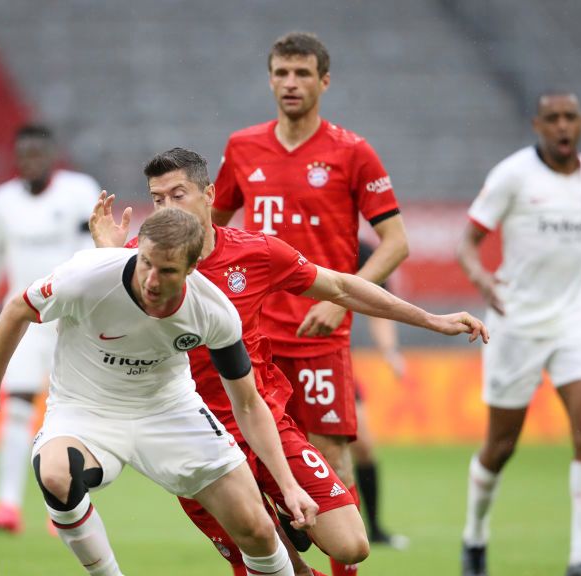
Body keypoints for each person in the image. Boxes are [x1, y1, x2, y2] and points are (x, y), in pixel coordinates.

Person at [91, 148, 486, 576]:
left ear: (209, 194)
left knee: (352, 545)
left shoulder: (255, 253)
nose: (167, 208)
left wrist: (431, 319)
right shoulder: (135, 264)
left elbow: (339, 286)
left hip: (264, 422)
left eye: (178, 194)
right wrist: (106, 261)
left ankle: (281, 514)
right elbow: (97, 331)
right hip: (193, 445)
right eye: (158, 198)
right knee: (279, 569)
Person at [0, 207, 319, 576]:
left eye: (166, 271)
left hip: (169, 409)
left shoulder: (213, 310)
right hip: (86, 408)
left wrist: (289, 487)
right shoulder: (86, 276)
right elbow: (17, 309)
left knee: (258, 531)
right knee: (57, 473)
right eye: (145, 263)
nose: (151, 279)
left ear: (191, 269)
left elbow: (248, 405)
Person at [211, 32, 410, 575]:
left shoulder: (352, 152)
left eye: (302, 74)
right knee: (244, 464)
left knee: (333, 458)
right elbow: (211, 234)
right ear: (270, 78)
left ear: (324, 81)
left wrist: (344, 302)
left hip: (320, 336)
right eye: (281, 73)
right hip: (252, 337)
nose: (290, 83)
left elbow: (396, 244)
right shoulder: (242, 147)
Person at [456, 92, 581, 576]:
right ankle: (475, 537)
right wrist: (481, 279)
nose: (562, 126)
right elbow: (467, 241)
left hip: (574, 320)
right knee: (501, 446)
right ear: (538, 125)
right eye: (553, 119)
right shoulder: (513, 175)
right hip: (516, 322)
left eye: (570, 118)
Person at [0, 123, 102, 533]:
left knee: (73, 411)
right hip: (24, 320)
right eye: (24, 155)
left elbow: (98, 249)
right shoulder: (3, 202)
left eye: (38, 153)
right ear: (17, 158)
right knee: (16, 404)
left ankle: (68, 504)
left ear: (52, 155)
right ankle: (7, 505)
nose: (31, 161)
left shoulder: (79, 192)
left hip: (70, 320)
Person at [350, 241, 408, 551]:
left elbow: (380, 305)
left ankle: (374, 529)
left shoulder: (363, 251)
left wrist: (389, 352)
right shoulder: (286, 237)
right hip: (281, 355)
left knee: (363, 445)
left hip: (333, 358)